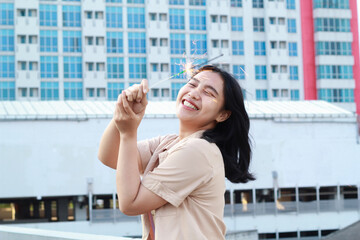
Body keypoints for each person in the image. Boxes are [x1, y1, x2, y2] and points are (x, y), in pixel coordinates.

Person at [98, 65, 255, 240]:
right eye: (192, 84)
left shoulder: (198, 151)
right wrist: (124, 110)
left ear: (223, 115)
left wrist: (128, 133)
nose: (194, 93)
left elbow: (131, 204)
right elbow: (110, 156)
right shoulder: (170, 143)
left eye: (209, 93)